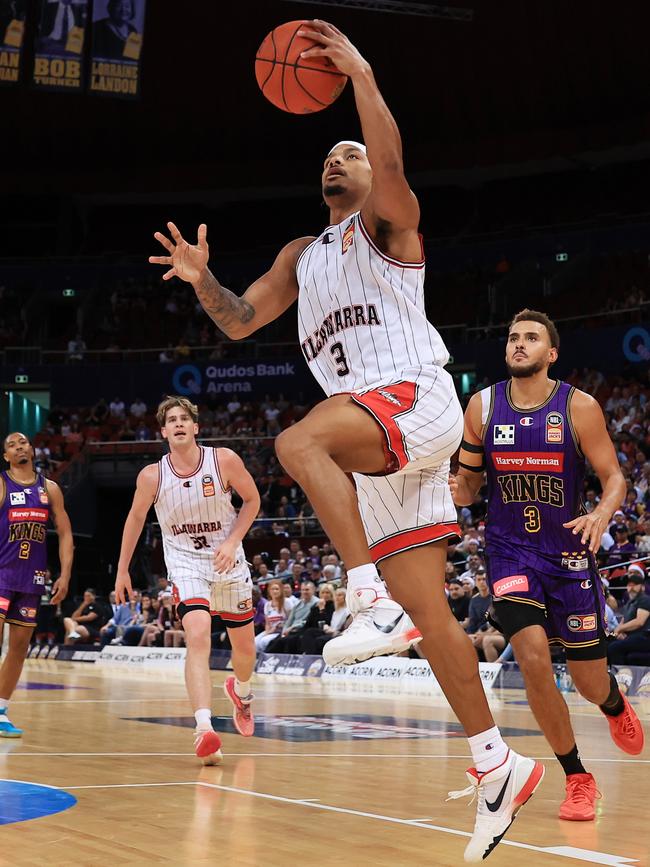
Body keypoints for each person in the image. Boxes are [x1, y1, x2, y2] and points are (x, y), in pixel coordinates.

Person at [149, 21, 542, 860]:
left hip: (414, 397)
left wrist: (361, 73)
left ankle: (361, 590)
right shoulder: (303, 252)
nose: (338, 160)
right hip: (376, 441)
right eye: (329, 154)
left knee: (295, 444)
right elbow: (242, 317)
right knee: (433, 619)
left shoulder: (388, 228)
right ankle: (496, 765)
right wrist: (201, 279)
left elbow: (392, 167)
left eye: (350, 153)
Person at [451, 309, 645, 824]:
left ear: (551, 353)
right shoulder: (483, 404)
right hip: (510, 551)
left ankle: (612, 703)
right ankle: (578, 777)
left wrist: (603, 513)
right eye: (513, 336)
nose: (519, 343)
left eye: (531, 337)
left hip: (567, 553)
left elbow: (614, 479)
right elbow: (469, 486)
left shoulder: (579, 407)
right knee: (533, 658)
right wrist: (458, 488)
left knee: (588, 681)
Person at [115, 396, 260, 765]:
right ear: (163, 431)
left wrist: (232, 540)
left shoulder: (223, 459)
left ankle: (241, 694)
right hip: (185, 564)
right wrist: (122, 569)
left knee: (244, 652)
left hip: (227, 560)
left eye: (184, 418)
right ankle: (203, 727)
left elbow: (253, 499)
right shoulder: (152, 475)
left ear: (196, 427)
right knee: (197, 635)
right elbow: (133, 519)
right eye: (171, 420)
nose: (178, 424)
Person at [0, 432, 73, 737]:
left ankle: (1, 710)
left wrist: (65, 575)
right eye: (12, 445)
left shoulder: (50, 488)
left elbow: (66, 533)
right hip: (2, 576)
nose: (19, 447)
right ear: (6, 456)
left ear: (31, 449)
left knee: (19, 649)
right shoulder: (2, 483)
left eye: (22, 442)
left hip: (32, 580)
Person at [606, 570, 650, 664]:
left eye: (635, 585)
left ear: (642, 587)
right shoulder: (629, 603)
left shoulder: (645, 600)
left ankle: (621, 674)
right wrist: (619, 632)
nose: (631, 587)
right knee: (604, 644)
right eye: (629, 585)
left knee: (614, 647)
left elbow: (639, 622)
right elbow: (623, 621)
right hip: (630, 636)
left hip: (644, 636)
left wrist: (620, 629)